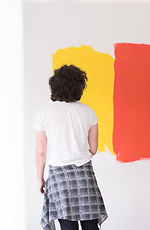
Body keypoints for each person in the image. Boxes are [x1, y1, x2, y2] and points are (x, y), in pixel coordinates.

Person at [34, 65, 107, 230]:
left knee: (67, 225)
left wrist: (40, 178)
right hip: (85, 173)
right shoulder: (89, 112)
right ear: (79, 86)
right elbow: (93, 149)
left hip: (59, 175)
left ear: (54, 85)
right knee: (90, 224)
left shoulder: (44, 113)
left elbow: (41, 152)